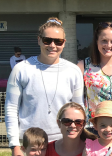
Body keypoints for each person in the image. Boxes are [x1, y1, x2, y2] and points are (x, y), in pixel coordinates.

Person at [5, 18, 85, 156]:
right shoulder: (21, 69)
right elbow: (11, 108)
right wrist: (15, 146)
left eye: (58, 41)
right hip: (31, 144)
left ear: (64, 43)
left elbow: (79, 108)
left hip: (63, 143)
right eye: (47, 40)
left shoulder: (73, 70)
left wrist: (82, 140)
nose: (52, 45)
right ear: (39, 40)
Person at [77, 22, 112, 131]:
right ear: (96, 42)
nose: (108, 45)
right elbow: (76, 99)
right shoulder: (83, 66)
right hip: (92, 127)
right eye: (104, 41)